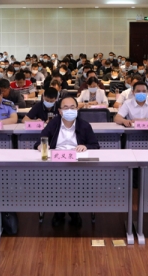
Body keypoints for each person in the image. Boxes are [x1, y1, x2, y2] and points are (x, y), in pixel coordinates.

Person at [37, 96, 100, 228]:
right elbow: (40, 141)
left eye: (72, 107)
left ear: (77, 109)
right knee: (56, 182)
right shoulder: (53, 123)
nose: (69, 110)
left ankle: (74, 211)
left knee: (75, 182)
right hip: (56, 162)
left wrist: (85, 146)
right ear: (60, 111)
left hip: (77, 162)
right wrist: (41, 146)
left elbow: (95, 145)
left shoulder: (84, 125)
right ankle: (58, 212)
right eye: (66, 108)